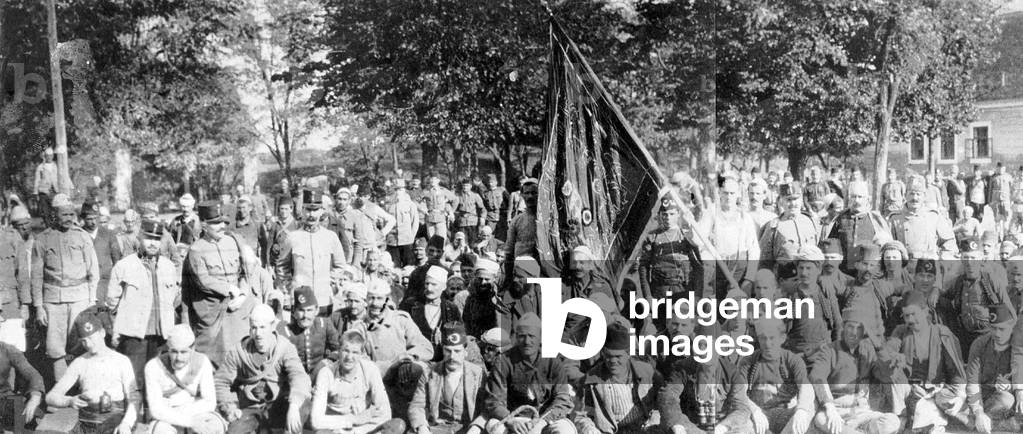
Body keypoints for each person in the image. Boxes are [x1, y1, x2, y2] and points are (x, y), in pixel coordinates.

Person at [106, 219, 181, 400]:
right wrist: (117, 330)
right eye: (148, 238)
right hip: (134, 336)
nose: (153, 243)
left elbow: (174, 298)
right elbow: (111, 303)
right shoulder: (124, 266)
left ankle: (153, 420)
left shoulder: (169, 266)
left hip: (161, 335)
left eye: (157, 239)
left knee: (159, 381)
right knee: (134, 382)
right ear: (139, 238)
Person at [31, 193, 98, 382]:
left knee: (84, 341)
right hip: (53, 300)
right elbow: (36, 276)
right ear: (54, 215)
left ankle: (84, 386)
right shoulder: (42, 239)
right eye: (64, 215)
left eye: (71, 214)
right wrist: (38, 307)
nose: (69, 218)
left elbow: (93, 270)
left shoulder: (82, 237)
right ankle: (61, 390)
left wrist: (92, 299)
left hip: (80, 298)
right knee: (55, 347)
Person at [215, 304, 311, 434]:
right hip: (250, 408)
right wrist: (229, 408)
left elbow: (299, 376)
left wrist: (294, 405)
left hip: (278, 405)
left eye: (262, 327)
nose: (258, 333)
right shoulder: (238, 352)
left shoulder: (284, 348)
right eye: (254, 328)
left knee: (302, 405)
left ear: (272, 327)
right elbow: (220, 381)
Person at [880, 291, 966, 433]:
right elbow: (889, 350)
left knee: (950, 403)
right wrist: (894, 358)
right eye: (907, 316)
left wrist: (960, 394)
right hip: (909, 391)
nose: (910, 320)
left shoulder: (942, 333)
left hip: (937, 390)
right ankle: (902, 418)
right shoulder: (901, 331)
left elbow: (955, 369)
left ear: (925, 311)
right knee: (892, 371)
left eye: (914, 314)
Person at [808, 307, 901, 434]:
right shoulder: (830, 350)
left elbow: (885, 375)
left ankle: (855, 428)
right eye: (850, 327)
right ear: (843, 327)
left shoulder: (868, 350)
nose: (854, 332)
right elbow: (816, 376)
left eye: (859, 328)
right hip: (836, 409)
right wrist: (830, 408)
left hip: (861, 411)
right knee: (821, 420)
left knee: (893, 421)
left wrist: (877, 344)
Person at [46, 310, 138, 434]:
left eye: (90, 338)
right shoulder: (80, 362)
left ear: (102, 333)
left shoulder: (121, 361)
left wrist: (126, 424)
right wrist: (69, 401)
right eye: (83, 340)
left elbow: (134, 398)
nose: (88, 344)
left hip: (114, 427)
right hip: (85, 427)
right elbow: (50, 397)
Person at [483, 313, 576, 434]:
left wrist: (543, 421)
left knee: (565, 430)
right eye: (522, 336)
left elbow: (563, 399)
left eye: (532, 336)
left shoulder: (553, 362)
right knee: (495, 428)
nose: (527, 341)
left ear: (541, 338)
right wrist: (510, 419)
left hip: (545, 419)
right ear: (516, 337)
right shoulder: (503, 361)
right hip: (513, 418)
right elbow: (494, 400)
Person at [182, 201, 248, 366]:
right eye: (215, 223)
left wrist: (242, 294)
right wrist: (230, 289)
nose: (221, 226)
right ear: (204, 225)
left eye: (223, 222)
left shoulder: (232, 242)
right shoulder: (196, 250)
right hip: (213, 316)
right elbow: (203, 281)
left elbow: (245, 272)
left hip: (237, 310)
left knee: (242, 356)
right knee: (214, 362)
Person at [309, 329, 406, 434]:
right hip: (336, 428)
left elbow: (385, 413)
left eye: (355, 352)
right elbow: (316, 421)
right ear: (338, 351)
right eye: (346, 350)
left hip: (364, 428)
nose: (349, 357)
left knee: (397, 425)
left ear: (361, 354)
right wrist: (353, 419)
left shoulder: (370, 369)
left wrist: (356, 431)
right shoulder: (326, 373)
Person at [573, 322, 663, 434]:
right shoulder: (591, 380)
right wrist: (590, 430)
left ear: (628, 354)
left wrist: (656, 416)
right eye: (608, 356)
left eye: (618, 356)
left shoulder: (646, 371)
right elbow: (580, 416)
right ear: (602, 353)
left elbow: (662, 399)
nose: (613, 361)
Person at [737, 318, 815, 434]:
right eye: (763, 338)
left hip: (785, 415)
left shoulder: (793, 360)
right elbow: (738, 393)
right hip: (758, 418)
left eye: (772, 338)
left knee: (810, 408)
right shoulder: (748, 362)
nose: (767, 344)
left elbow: (806, 388)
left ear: (782, 338)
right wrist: (754, 411)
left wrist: (801, 410)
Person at [276, 189, 347, 316]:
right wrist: (290, 288)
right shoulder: (293, 237)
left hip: (324, 299)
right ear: (302, 210)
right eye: (308, 210)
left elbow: (340, 265)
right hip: (300, 301)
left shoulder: (330, 237)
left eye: (315, 210)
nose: (311, 214)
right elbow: (282, 266)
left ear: (321, 211)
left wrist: (330, 284)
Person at [143, 324, 224, 434]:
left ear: (193, 349)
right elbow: (156, 409)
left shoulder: (202, 362)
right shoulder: (154, 366)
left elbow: (210, 401)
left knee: (214, 427)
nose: (179, 358)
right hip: (167, 416)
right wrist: (189, 422)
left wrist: (187, 412)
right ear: (167, 348)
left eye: (184, 352)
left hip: (195, 411)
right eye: (174, 352)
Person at [408, 323, 487, 434]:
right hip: (436, 429)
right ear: (443, 350)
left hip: (467, 428)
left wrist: (476, 427)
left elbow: (487, 408)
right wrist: (422, 427)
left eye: (457, 351)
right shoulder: (429, 372)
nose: (452, 356)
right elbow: (417, 405)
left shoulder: (478, 374)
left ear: (465, 352)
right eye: (448, 351)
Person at [940, 238, 1012, 352]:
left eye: (973, 258)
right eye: (966, 258)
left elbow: (1009, 310)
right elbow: (943, 296)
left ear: (981, 259)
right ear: (961, 260)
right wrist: (934, 290)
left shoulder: (991, 280)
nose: (969, 262)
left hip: (988, 336)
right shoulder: (958, 282)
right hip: (965, 336)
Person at [696, 177, 760, 298]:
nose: (729, 196)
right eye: (725, 193)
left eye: (732, 193)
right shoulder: (712, 213)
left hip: (740, 270)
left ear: (738, 194)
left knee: (738, 310)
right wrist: (691, 224)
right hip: (718, 268)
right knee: (719, 309)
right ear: (719, 193)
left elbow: (754, 249)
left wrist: (749, 278)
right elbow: (698, 239)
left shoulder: (744, 217)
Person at [638, 198, 703, 309]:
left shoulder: (686, 237)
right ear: (659, 215)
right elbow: (643, 267)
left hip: (683, 290)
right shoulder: (652, 237)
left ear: (678, 214)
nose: (668, 218)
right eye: (664, 214)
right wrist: (648, 296)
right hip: (659, 291)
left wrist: (697, 295)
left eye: (672, 214)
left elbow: (698, 267)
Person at [965, 303, 1020, 433]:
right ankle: (984, 421)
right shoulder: (980, 344)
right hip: (982, 398)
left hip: (1008, 399)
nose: (997, 333)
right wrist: (979, 412)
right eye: (993, 328)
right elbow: (972, 383)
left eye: (1002, 329)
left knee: (1007, 399)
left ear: (1012, 327)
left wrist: (1011, 386)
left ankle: (977, 423)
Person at [827, 180, 891, 275]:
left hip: (868, 274)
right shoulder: (840, 219)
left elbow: (886, 249)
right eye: (853, 197)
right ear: (848, 199)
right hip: (843, 273)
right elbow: (830, 245)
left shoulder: (876, 220)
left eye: (860, 197)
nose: (856, 200)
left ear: (867, 199)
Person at [887, 175, 957, 259]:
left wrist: (942, 258)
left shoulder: (933, 216)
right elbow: (887, 245)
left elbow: (949, 242)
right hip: (903, 267)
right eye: (911, 194)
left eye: (918, 194)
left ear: (924, 196)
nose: (915, 198)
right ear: (905, 195)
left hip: (928, 266)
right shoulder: (895, 218)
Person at [276, 286, 340, 375]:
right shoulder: (285, 330)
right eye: (301, 310)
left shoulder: (324, 324)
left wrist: (326, 362)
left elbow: (339, 348)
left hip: (321, 375)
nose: (305, 315)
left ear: (316, 310)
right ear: (294, 312)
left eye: (309, 310)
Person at [759, 185, 819, 265]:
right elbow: (764, 260)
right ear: (781, 201)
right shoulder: (773, 226)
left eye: (795, 199)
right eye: (788, 199)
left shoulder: (811, 221)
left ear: (801, 200)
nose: (793, 203)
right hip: (785, 275)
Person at [326, 188, 374, 266]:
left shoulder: (354, 217)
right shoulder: (328, 215)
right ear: (335, 199)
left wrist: (355, 264)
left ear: (349, 201)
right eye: (340, 199)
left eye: (345, 199)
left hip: (348, 259)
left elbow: (359, 243)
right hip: (331, 259)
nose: (341, 202)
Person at [0, 206, 32, 321]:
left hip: (9, 303)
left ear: (3, 212)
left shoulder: (13, 237)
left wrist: (25, 304)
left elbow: (22, 274)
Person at [503, 178, 538, 272]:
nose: (530, 196)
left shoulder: (550, 220)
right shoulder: (517, 220)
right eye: (526, 193)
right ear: (522, 195)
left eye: (534, 193)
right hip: (523, 271)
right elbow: (509, 251)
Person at [386, 178, 420, 268]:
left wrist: (411, 236)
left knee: (408, 266)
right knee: (394, 266)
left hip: (406, 240)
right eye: (396, 189)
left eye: (400, 189)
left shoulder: (410, 204)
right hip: (392, 241)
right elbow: (385, 222)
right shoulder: (389, 205)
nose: (398, 192)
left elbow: (415, 222)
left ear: (404, 190)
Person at [453, 179, 486, 244]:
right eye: (464, 185)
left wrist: (483, 218)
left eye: (467, 185)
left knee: (473, 241)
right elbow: (453, 208)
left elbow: (482, 208)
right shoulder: (458, 196)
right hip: (462, 222)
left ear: (470, 186)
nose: (465, 187)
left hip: (473, 221)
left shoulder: (475, 196)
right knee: (462, 241)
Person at [424, 175, 456, 239]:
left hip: (441, 217)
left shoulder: (443, 190)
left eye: (434, 179)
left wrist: (451, 211)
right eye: (431, 179)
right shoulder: (426, 191)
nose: (432, 181)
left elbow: (454, 199)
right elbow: (415, 201)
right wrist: (422, 209)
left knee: (441, 238)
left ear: (438, 181)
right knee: (431, 239)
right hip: (430, 218)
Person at [33, 147, 59, 222]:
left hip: (54, 191)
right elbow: (37, 180)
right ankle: (48, 228)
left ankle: (55, 228)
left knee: (55, 210)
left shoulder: (56, 166)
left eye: (51, 155)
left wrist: (71, 186)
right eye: (47, 155)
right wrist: (35, 193)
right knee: (45, 212)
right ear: (45, 156)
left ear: (53, 156)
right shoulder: (41, 167)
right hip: (43, 192)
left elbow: (63, 176)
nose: (49, 157)